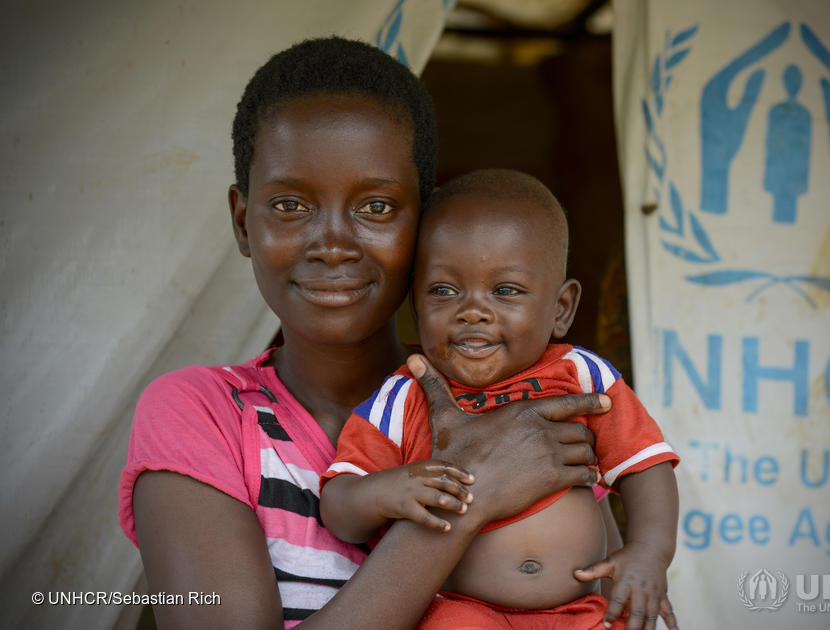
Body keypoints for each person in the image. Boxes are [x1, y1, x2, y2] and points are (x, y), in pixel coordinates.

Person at [119, 38, 614, 629]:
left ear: (425, 227)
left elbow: (604, 606)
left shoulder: (523, 401)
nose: (332, 244)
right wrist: (472, 495)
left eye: (377, 207)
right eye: (290, 205)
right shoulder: (202, 415)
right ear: (243, 221)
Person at [320, 169, 681, 630]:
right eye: (444, 291)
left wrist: (649, 551)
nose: (472, 310)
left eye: (505, 290)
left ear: (561, 309)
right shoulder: (404, 395)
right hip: (461, 612)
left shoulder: (580, 376)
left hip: (580, 609)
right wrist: (386, 491)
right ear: (416, 309)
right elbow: (339, 507)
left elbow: (643, 464)